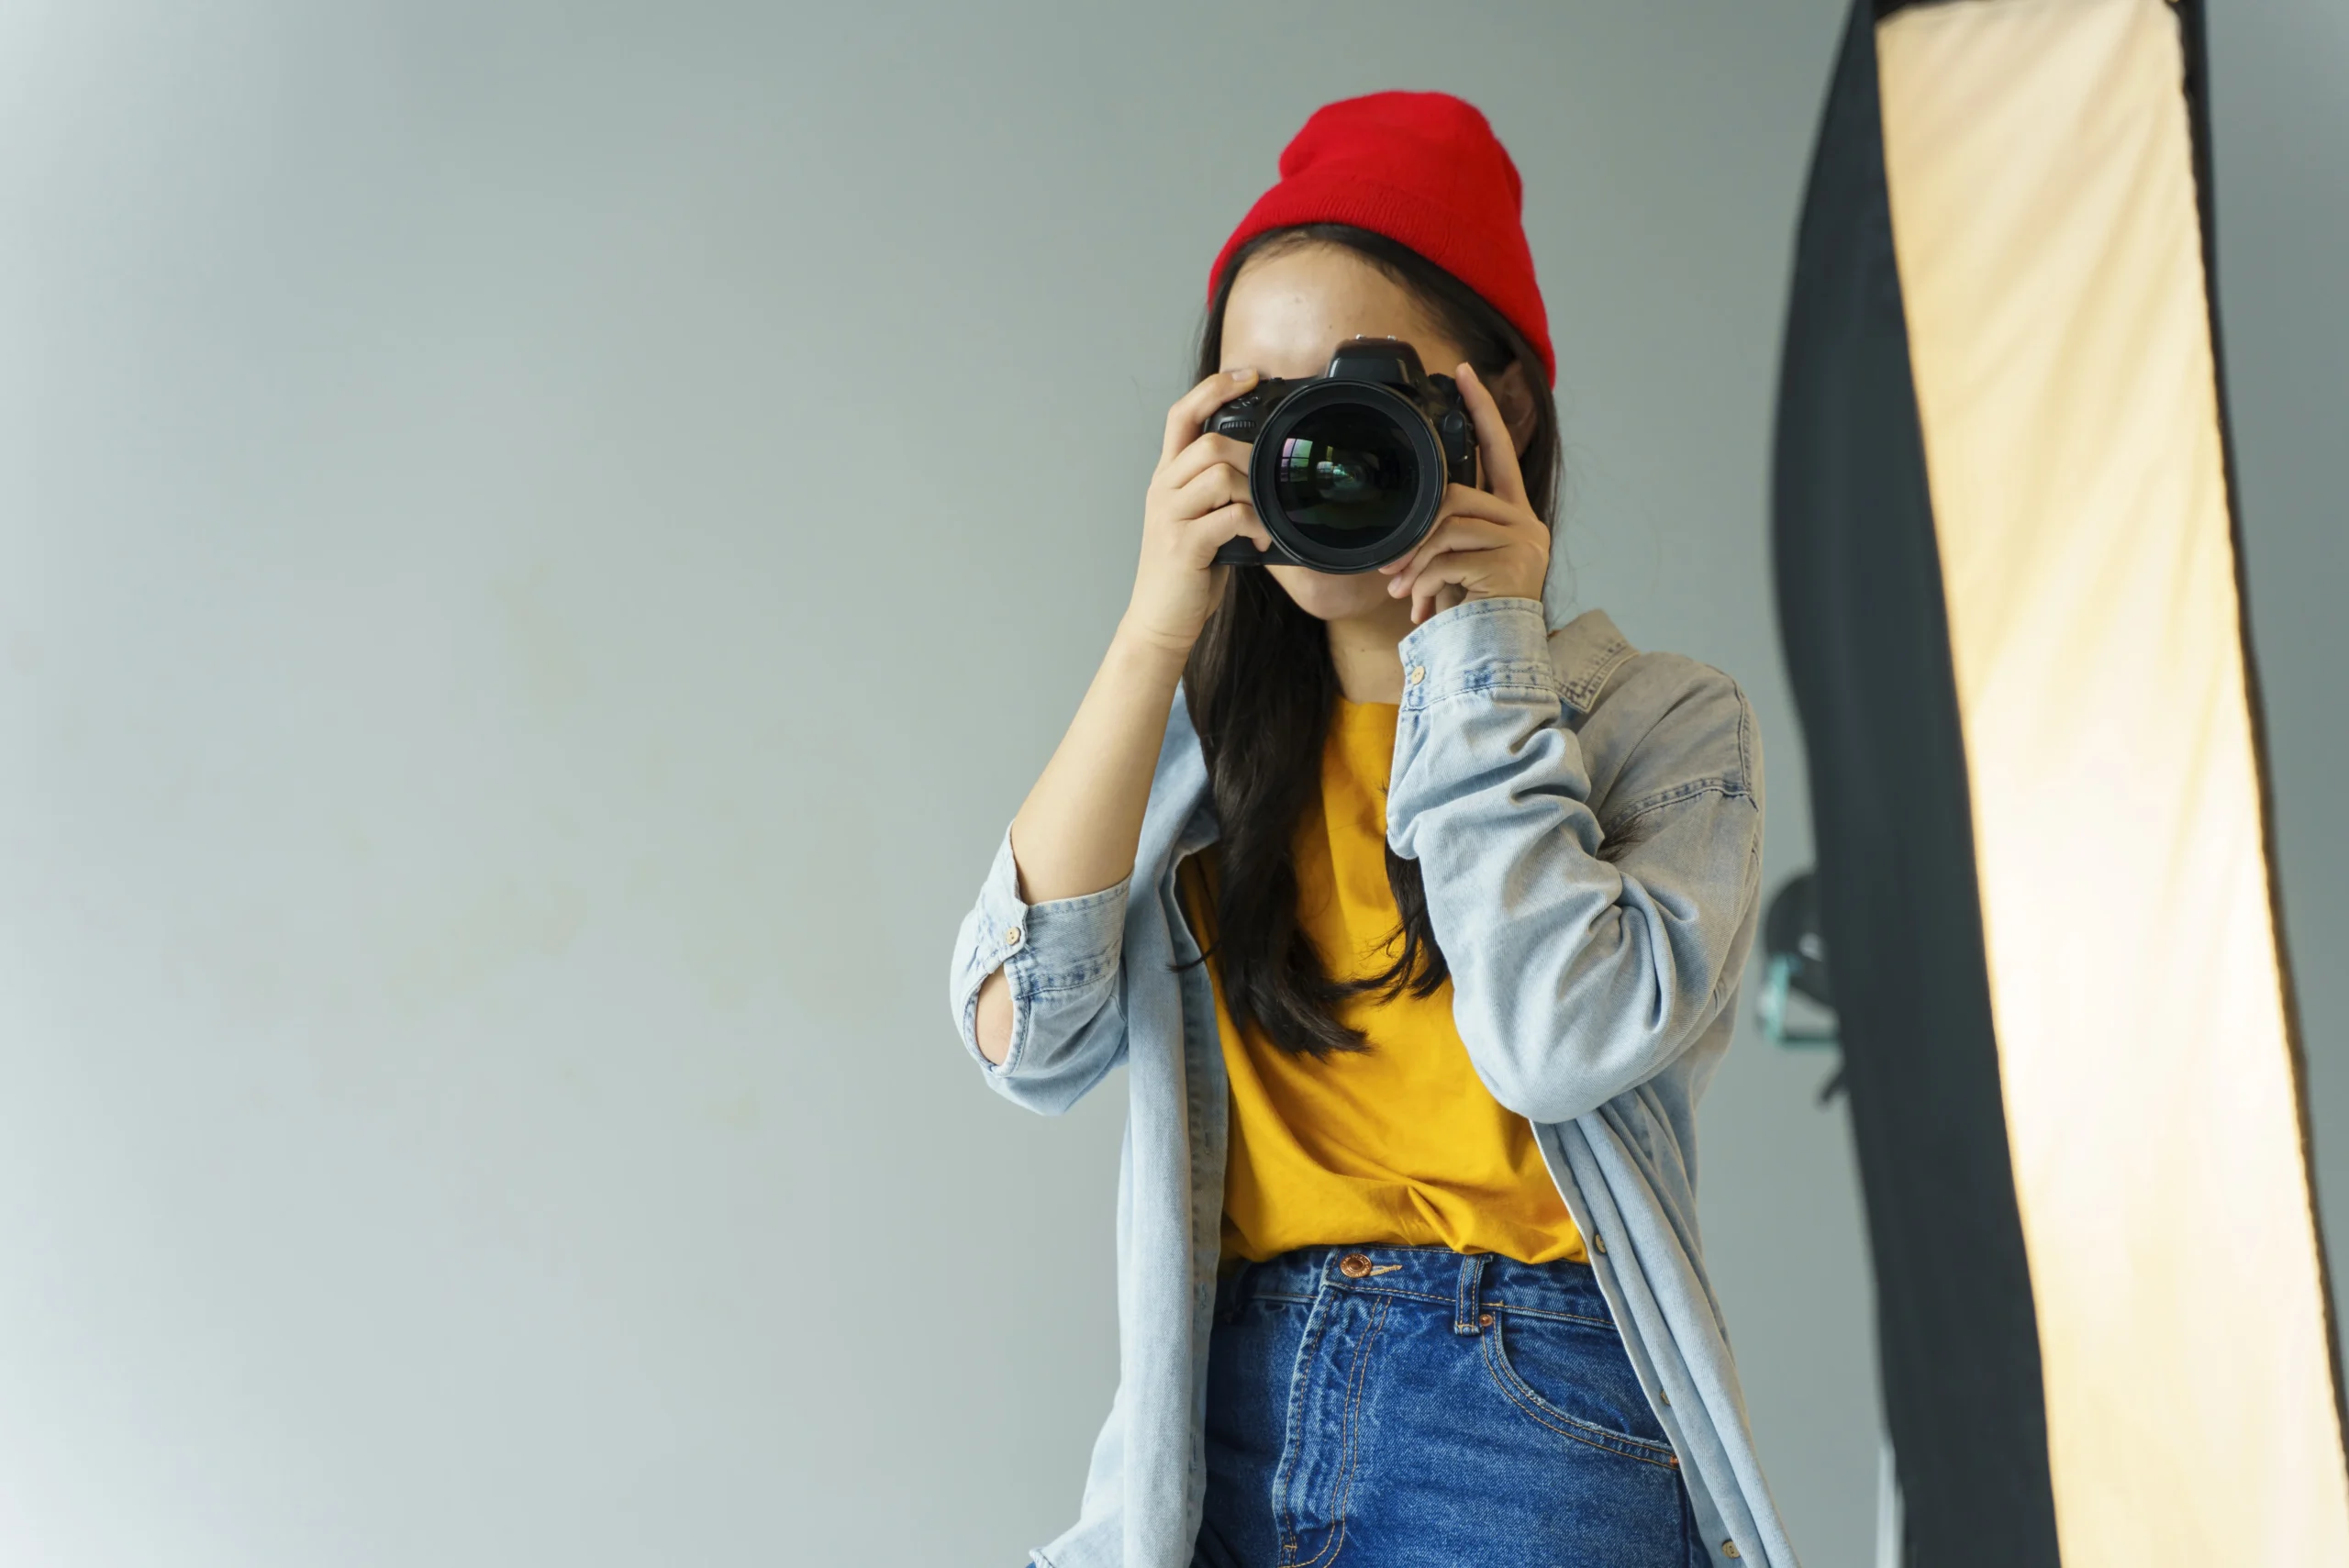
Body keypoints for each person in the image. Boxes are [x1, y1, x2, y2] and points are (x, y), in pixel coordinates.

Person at [949, 91, 1796, 1568]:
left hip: (1529, 1413)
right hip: (1214, 1417)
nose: (1310, 454)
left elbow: (1557, 1041)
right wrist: (1156, 631)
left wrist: (1481, 650)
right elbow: (1025, 1038)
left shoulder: (1663, 724)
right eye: (1251, 403)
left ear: (1495, 410)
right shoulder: (1191, 755)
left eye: (1354, 400)